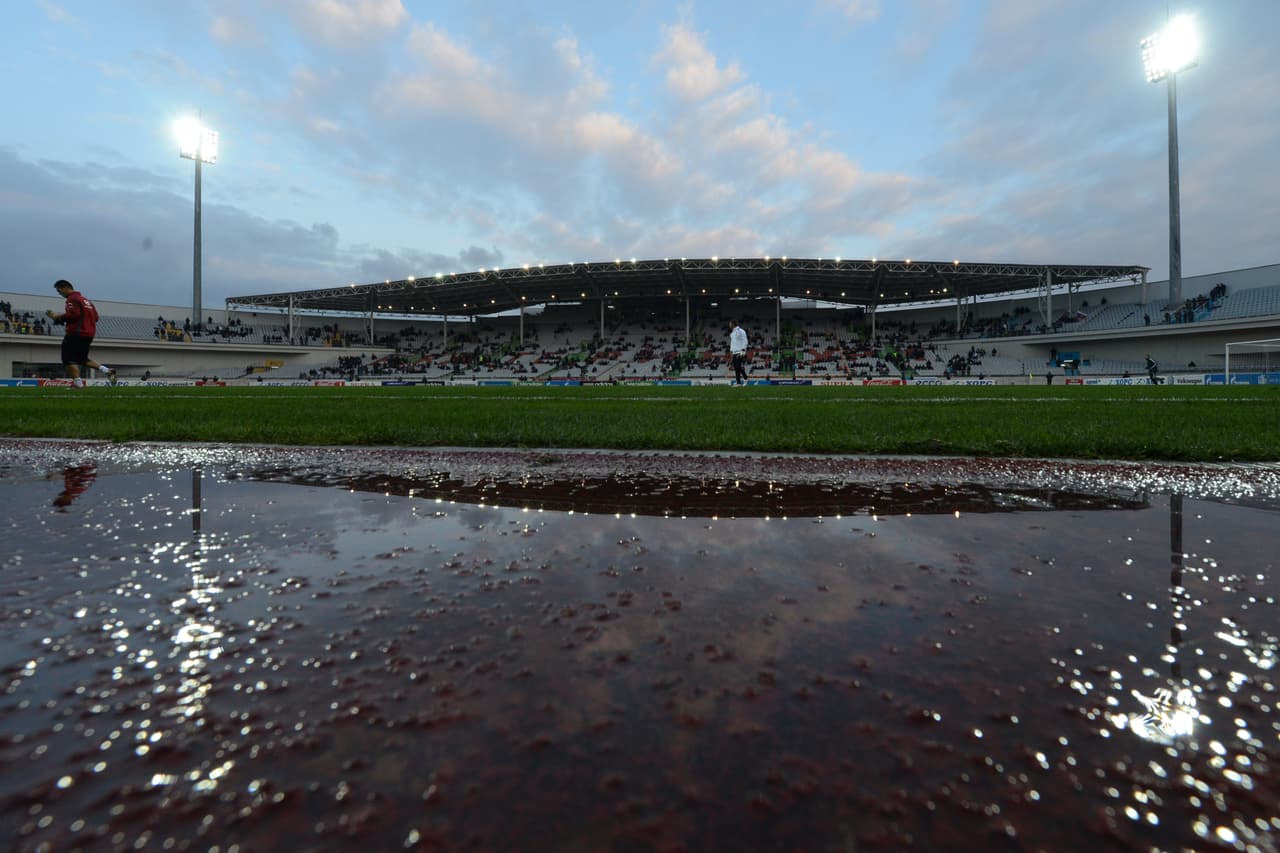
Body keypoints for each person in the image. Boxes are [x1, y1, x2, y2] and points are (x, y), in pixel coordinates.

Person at [46, 279, 114, 387]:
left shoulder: (72, 298)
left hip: (76, 333)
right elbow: (96, 318)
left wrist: (57, 317)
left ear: (65, 288)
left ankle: (78, 384)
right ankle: (107, 370)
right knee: (82, 359)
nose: (60, 294)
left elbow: (74, 315)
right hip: (89, 334)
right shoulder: (86, 301)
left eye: (59, 291)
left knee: (68, 359)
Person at [728, 319, 748, 386]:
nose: (729, 325)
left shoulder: (741, 331)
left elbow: (745, 340)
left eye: (730, 323)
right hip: (734, 352)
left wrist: (743, 350)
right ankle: (744, 378)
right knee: (737, 367)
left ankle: (739, 382)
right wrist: (731, 351)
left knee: (737, 366)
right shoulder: (732, 333)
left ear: (733, 324)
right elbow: (732, 343)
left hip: (740, 351)